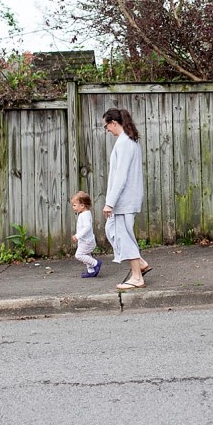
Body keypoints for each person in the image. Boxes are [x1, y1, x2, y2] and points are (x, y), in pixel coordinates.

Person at [101, 107, 151, 290]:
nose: (106, 129)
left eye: (106, 125)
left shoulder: (124, 144)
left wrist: (109, 203)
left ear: (114, 123)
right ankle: (141, 263)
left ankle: (137, 277)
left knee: (124, 237)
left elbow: (120, 177)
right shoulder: (129, 142)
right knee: (112, 230)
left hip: (124, 200)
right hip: (126, 199)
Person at [70, 190, 102, 278]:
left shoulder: (84, 215)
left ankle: (96, 263)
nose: (73, 207)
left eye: (74, 205)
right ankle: (91, 271)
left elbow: (87, 227)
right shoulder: (85, 213)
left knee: (79, 255)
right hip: (86, 240)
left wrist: (77, 235)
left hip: (86, 241)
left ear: (82, 205)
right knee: (87, 255)